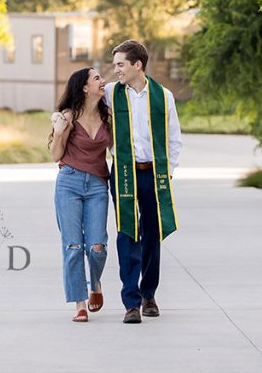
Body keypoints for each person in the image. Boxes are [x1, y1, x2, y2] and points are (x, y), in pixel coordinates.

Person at [104, 39, 181, 324]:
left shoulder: (164, 96)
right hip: (124, 171)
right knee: (127, 232)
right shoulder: (110, 93)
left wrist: (168, 172)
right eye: (115, 65)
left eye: (121, 64)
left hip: (153, 173)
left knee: (152, 232)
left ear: (138, 65)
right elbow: (82, 108)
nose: (116, 70)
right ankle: (131, 301)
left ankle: (149, 294)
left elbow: (174, 138)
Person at [50, 67, 112, 323]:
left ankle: (95, 282)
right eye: (97, 78)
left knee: (97, 247)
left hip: (98, 185)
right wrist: (60, 130)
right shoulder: (68, 116)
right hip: (69, 184)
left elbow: (118, 149)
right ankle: (79, 303)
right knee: (73, 246)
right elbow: (55, 155)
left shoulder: (108, 117)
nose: (103, 81)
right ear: (85, 87)